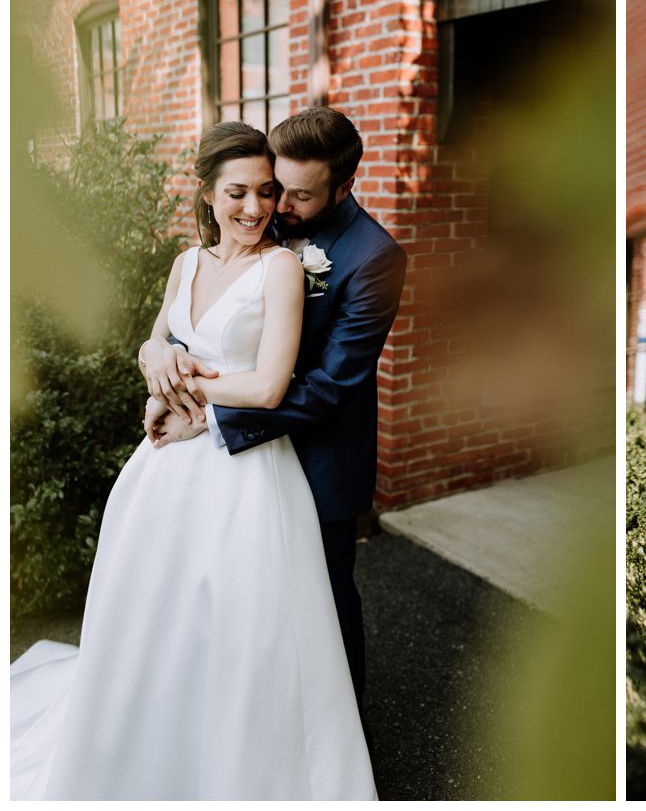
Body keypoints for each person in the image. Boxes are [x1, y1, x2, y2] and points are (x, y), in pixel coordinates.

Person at [10, 122, 376, 798]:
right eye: (237, 192)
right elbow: (158, 339)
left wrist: (187, 396)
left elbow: (269, 385)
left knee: (241, 632)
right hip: (165, 471)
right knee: (156, 618)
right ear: (206, 193)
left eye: (267, 192)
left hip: (247, 473)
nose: (255, 207)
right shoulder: (186, 262)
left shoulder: (283, 268)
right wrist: (157, 362)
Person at [141, 105, 407, 701]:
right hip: (230, 448)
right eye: (271, 187)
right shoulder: (259, 222)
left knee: (324, 600)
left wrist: (209, 412)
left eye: (296, 197)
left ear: (344, 187)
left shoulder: (375, 258)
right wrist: (154, 350)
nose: (274, 209)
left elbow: (332, 385)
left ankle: (341, 733)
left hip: (320, 454)